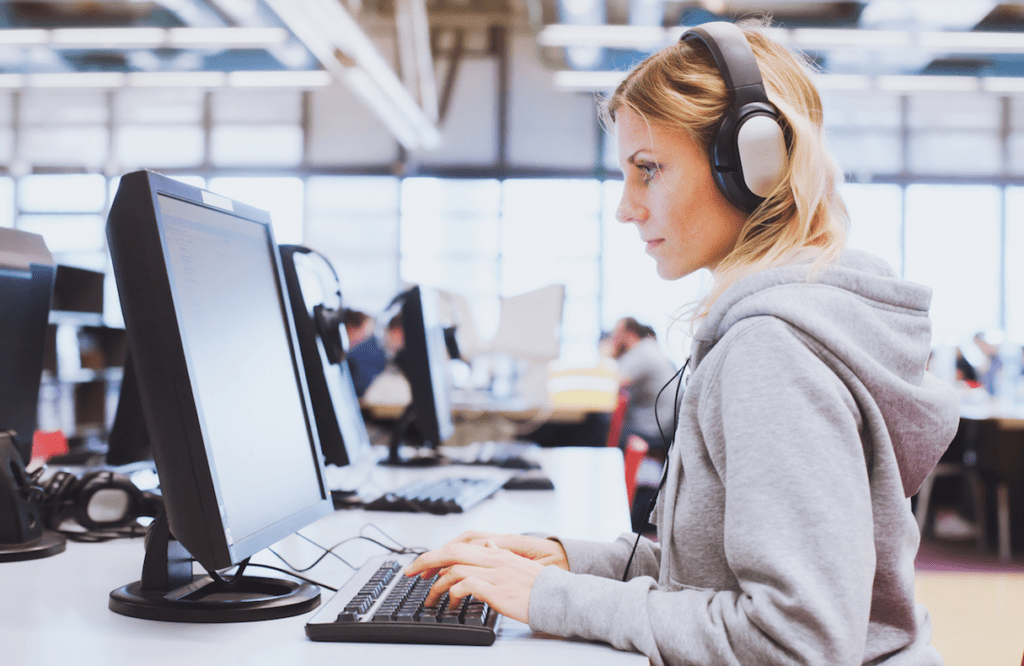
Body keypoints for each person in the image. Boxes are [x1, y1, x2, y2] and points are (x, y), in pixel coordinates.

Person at [404, 19, 960, 666]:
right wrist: (561, 561)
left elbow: (796, 641)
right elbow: (704, 575)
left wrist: (552, 598)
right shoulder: (782, 327)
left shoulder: (772, 351)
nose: (626, 207)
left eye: (648, 170)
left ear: (751, 166)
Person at [607, 316, 678, 451]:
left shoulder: (643, 352)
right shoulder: (647, 347)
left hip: (653, 428)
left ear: (629, 333)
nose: (612, 337)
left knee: (600, 427)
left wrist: (608, 353)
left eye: (616, 333)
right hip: (663, 424)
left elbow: (613, 383)